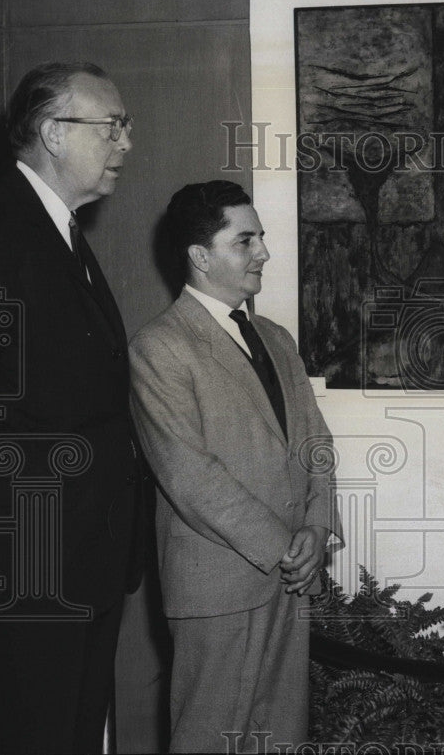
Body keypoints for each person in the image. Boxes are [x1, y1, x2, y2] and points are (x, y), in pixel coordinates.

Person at [0, 62, 143, 753]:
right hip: (30, 577)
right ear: (52, 133)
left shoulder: (61, 235)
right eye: (113, 126)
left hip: (80, 561)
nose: (126, 143)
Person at [129, 180, 343, 752]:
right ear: (200, 257)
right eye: (245, 240)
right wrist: (286, 546)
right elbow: (189, 476)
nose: (263, 253)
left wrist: (318, 530)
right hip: (217, 587)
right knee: (209, 738)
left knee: (280, 737)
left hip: (290, 578)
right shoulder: (159, 347)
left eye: (262, 239)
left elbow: (316, 445)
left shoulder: (276, 338)